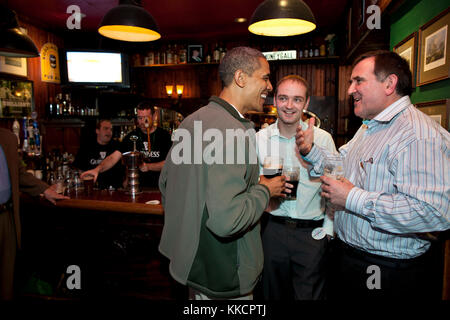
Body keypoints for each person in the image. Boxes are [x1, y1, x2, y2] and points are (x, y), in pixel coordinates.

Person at [295, 50, 450, 299]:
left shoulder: (416, 135)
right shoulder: (370, 126)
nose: (350, 90)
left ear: (389, 84)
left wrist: (351, 198)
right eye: (350, 82)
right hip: (353, 257)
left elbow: (432, 213)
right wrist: (311, 150)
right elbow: (341, 162)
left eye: (358, 81)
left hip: (386, 270)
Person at [159, 46, 286, 300]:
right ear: (240, 78)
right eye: (265, 77)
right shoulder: (234, 132)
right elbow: (227, 220)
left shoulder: (190, 121)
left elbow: (166, 185)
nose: (270, 87)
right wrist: (264, 190)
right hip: (223, 273)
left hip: (190, 265)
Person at [256, 75, 337, 300]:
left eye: (297, 99)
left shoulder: (323, 139)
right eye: (283, 98)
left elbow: (336, 187)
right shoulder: (259, 139)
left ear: (307, 103)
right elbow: (250, 185)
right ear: (274, 100)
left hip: (312, 234)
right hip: (272, 231)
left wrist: (328, 232)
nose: (289, 106)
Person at [0, 128, 68, 300]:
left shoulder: (7, 138)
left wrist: (44, 189)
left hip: (6, 216)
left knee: (6, 281)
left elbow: (19, 173)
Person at [81, 102, 172, 189]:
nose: (143, 122)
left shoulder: (164, 136)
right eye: (140, 118)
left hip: (160, 188)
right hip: (137, 187)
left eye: (146, 118)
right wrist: (97, 169)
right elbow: (113, 158)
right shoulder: (131, 136)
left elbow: (170, 164)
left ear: (154, 116)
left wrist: (148, 166)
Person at [72, 119, 124, 189]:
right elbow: (79, 169)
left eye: (111, 129)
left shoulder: (118, 146)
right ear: (97, 131)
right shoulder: (86, 147)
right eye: (106, 128)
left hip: (114, 189)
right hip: (93, 188)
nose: (109, 132)